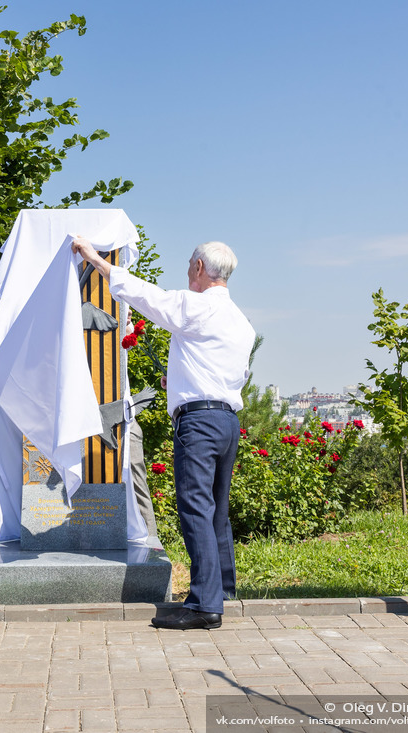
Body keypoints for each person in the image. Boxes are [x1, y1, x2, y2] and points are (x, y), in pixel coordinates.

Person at [72, 237, 255, 630]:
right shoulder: (242, 321)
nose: (188, 269)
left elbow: (143, 294)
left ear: (200, 268)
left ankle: (206, 606)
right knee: (217, 512)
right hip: (227, 421)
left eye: (190, 263)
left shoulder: (195, 305)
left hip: (200, 424)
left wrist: (96, 261)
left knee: (195, 509)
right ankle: (221, 588)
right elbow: (228, 373)